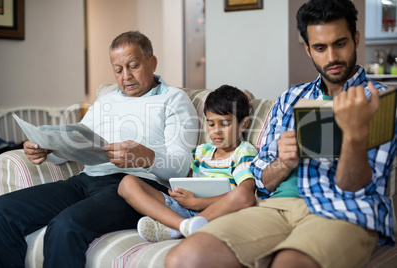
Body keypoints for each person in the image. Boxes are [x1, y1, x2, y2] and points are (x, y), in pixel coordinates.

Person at [165, 1, 397, 267]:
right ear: (309, 50)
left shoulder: (378, 100)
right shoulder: (290, 98)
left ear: (356, 39)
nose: (331, 57)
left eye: (340, 43)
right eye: (320, 47)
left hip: (343, 210)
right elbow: (262, 179)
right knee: (184, 258)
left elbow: (357, 187)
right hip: (275, 208)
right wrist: (282, 163)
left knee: (289, 263)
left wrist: (354, 139)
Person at [0, 31, 198, 268]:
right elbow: (78, 141)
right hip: (87, 180)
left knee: (64, 227)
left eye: (133, 66)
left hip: (137, 189)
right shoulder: (106, 101)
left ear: (151, 62)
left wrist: (147, 158)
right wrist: (48, 148)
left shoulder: (174, 100)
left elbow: (182, 167)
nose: (126, 77)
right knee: (0, 212)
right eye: (118, 69)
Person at [117, 85, 257, 242]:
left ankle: (177, 228)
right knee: (127, 183)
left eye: (224, 124)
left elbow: (246, 192)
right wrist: (180, 194)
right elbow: (189, 180)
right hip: (186, 210)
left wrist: (198, 203)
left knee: (243, 195)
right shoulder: (201, 151)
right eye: (211, 124)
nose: (216, 131)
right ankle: (183, 226)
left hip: (219, 213)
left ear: (244, 125)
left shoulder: (243, 152)